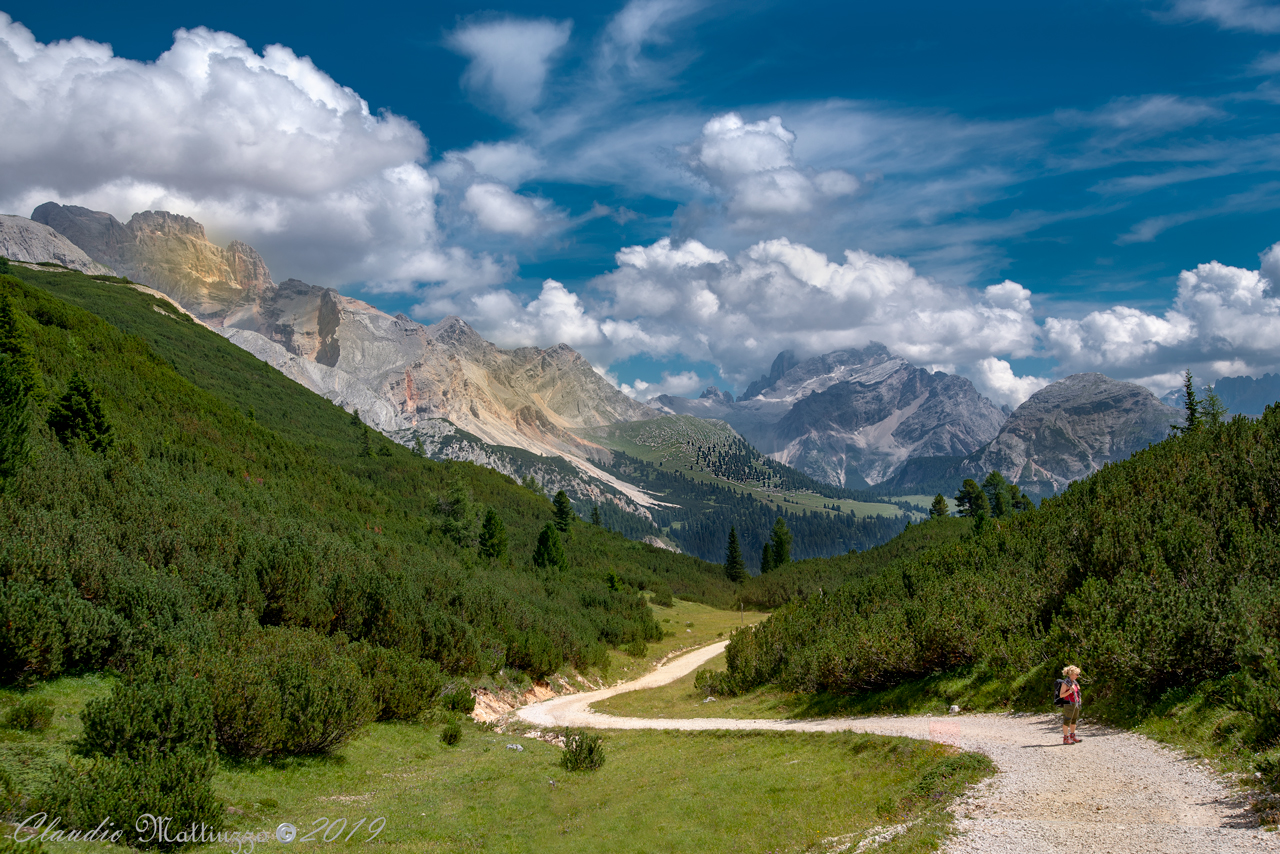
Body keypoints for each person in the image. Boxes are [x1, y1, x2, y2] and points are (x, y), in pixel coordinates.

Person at [1059, 665, 1082, 744]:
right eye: (1076, 674)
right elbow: (1061, 695)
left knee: (1074, 719)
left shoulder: (1074, 682)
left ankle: (1072, 735)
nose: (1077, 676)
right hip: (1069, 703)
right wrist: (1069, 691)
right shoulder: (1065, 683)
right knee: (1067, 720)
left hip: (1075, 703)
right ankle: (1065, 738)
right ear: (1072, 674)